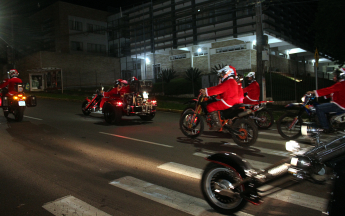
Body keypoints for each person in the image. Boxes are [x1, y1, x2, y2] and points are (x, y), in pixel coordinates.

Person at [200, 65, 238, 130]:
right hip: (234, 101)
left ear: (227, 72)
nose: (222, 75)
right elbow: (218, 87)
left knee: (210, 106)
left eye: (223, 73)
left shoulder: (228, 82)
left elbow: (218, 90)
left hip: (228, 102)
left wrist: (206, 92)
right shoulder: (232, 81)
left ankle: (217, 124)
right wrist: (206, 89)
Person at [307, 68, 345, 133]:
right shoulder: (342, 84)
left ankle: (325, 127)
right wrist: (321, 95)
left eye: (335, 75)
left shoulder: (341, 84)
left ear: (340, 75)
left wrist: (314, 92)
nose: (334, 77)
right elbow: (333, 93)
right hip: (339, 103)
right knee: (324, 105)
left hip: (340, 105)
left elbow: (329, 89)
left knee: (319, 108)